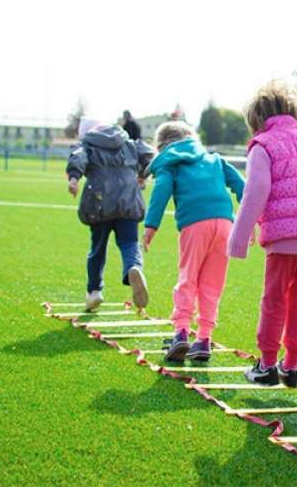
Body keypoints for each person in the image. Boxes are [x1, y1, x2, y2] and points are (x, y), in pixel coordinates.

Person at [228, 79, 297, 387]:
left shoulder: (263, 146)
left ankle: (265, 365)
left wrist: (239, 238)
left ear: (257, 119)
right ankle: (291, 365)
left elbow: (256, 191)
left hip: (284, 238)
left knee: (273, 300)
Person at [143, 121, 244, 362]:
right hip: (225, 224)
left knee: (188, 277)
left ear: (162, 146)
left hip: (195, 224)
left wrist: (150, 226)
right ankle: (204, 340)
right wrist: (251, 220)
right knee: (212, 284)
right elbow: (242, 186)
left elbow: (162, 190)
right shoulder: (214, 159)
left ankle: (181, 333)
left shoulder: (170, 162)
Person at [66, 118, 154, 312]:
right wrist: (142, 174)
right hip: (129, 200)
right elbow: (149, 155)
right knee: (129, 243)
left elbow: (78, 157)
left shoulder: (87, 144)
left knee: (98, 247)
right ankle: (134, 267)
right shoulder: (127, 142)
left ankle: (94, 291)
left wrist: (74, 178)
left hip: (99, 203)